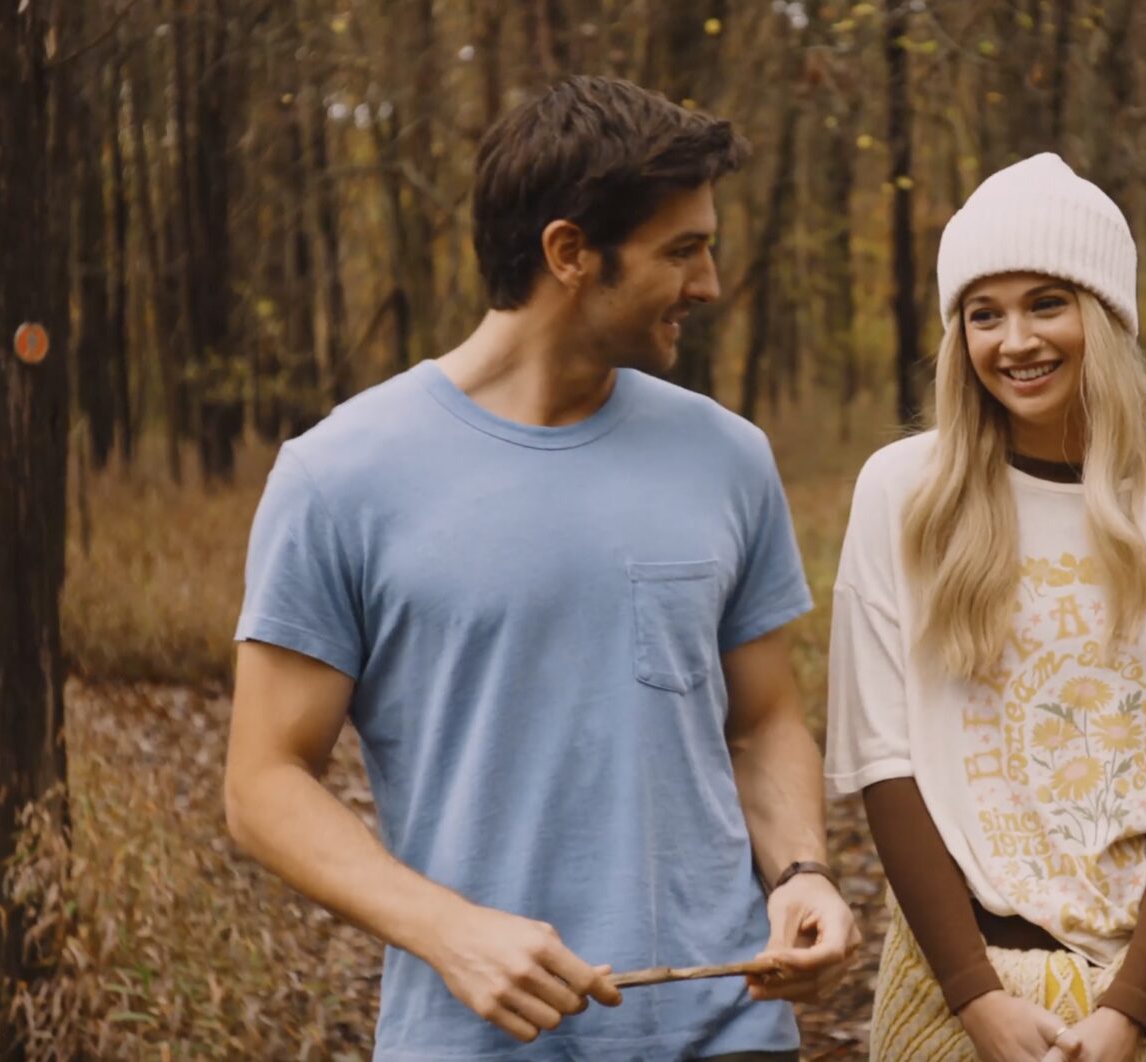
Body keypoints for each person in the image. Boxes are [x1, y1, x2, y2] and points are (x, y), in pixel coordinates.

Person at [223, 75, 856, 1060]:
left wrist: (802, 872)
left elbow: (764, 719)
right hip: (474, 1038)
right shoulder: (339, 476)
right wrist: (447, 930)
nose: (708, 284)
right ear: (569, 253)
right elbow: (264, 782)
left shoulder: (728, 456)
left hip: (723, 1026)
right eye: (681, 251)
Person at [825, 153, 1146, 1062]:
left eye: (1047, 303)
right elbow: (884, 758)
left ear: (1105, 316)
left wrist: (1130, 1010)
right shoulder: (903, 492)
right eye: (983, 314)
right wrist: (975, 998)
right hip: (959, 971)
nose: (1015, 341)